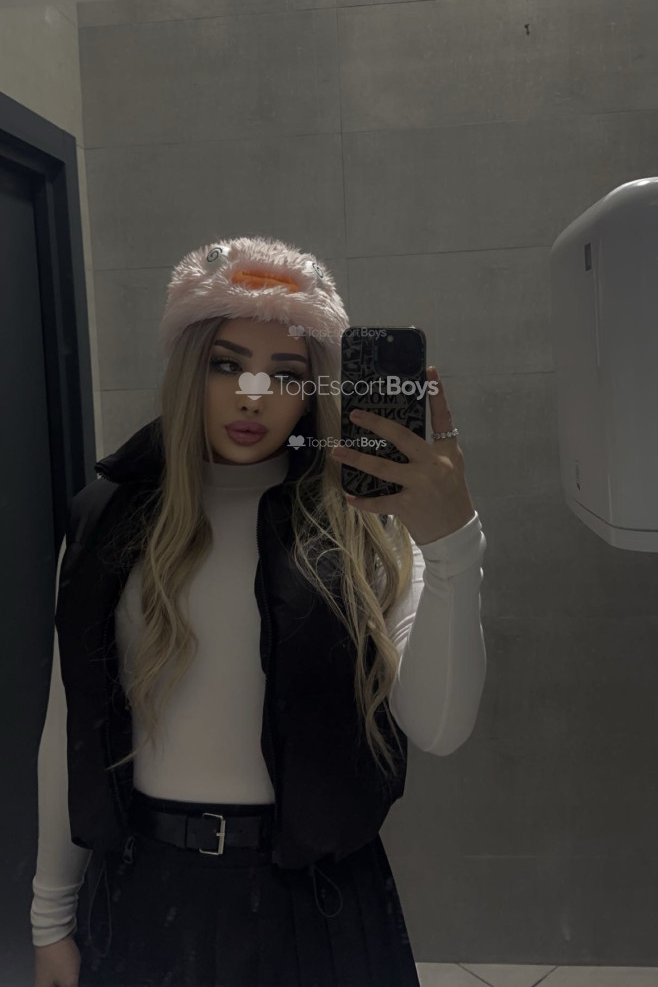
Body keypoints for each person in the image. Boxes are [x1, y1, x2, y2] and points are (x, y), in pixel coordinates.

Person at [31, 234, 487, 987]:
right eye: (226, 364)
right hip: (144, 895)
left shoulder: (366, 526)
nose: (252, 395)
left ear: (313, 389)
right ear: (190, 369)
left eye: (286, 374)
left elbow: (439, 729)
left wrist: (453, 546)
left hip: (317, 903)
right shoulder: (106, 520)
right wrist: (48, 915)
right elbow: (66, 723)